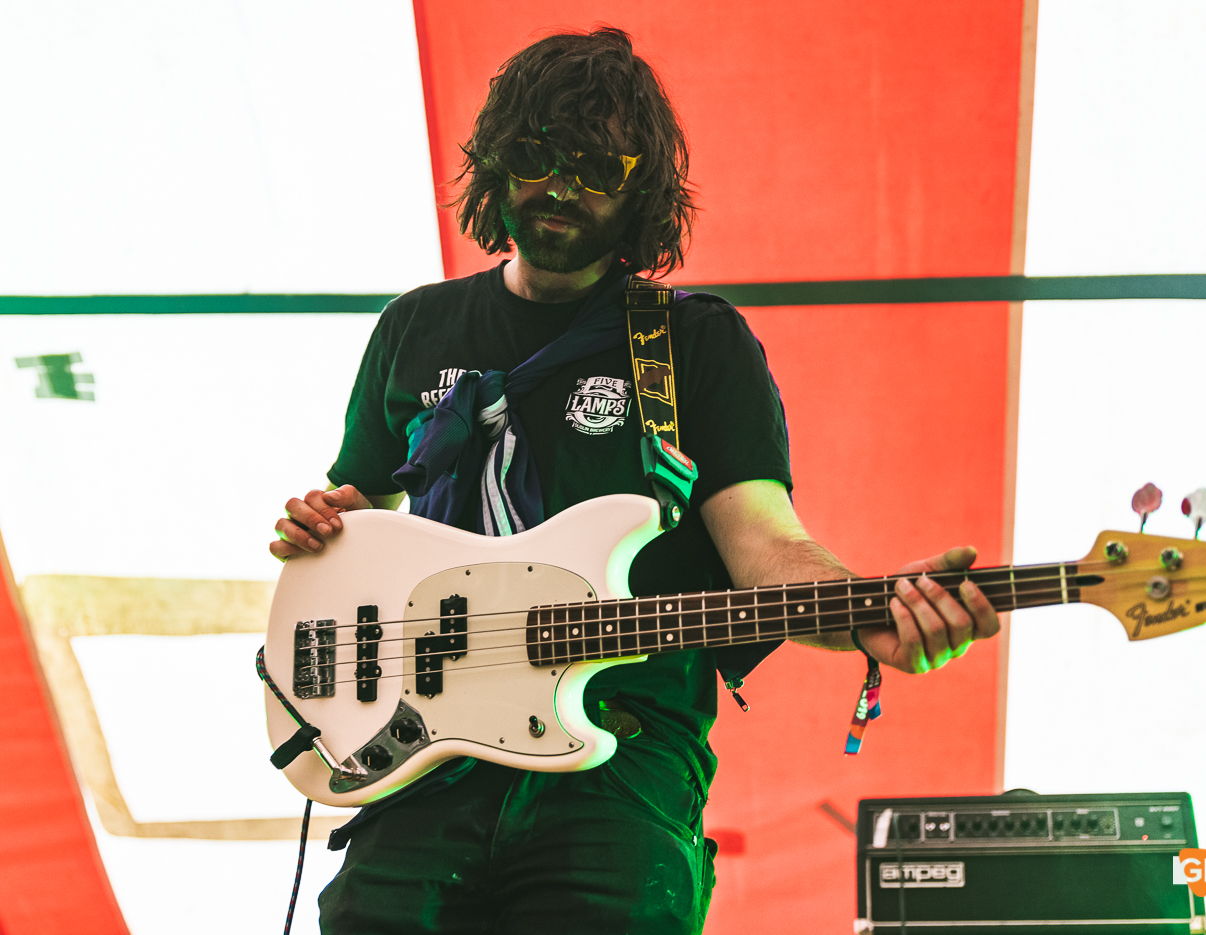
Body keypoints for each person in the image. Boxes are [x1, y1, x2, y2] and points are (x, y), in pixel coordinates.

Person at [269, 27, 999, 935]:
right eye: (536, 157)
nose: (561, 188)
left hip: (619, 773)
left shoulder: (694, 344)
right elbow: (366, 515)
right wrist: (325, 523)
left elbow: (769, 552)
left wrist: (869, 614)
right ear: (497, 166)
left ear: (640, 188)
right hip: (420, 768)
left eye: (596, 166)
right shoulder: (416, 327)